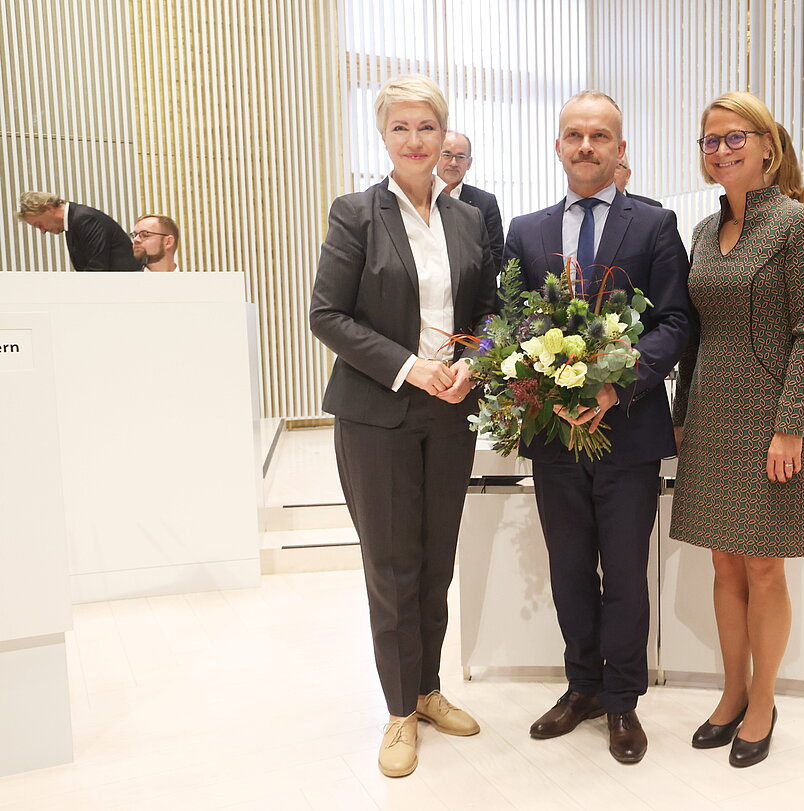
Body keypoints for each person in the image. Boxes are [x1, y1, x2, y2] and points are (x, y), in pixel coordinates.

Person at [309, 74, 497, 779]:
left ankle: (427, 689)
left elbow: (483, 314)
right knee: (392, 566)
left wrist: (471, 365)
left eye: (427, 128)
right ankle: (397, 711)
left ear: (443, 135)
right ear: (383, 136)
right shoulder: (356, 213)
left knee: (437, 557)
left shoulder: (468, 219)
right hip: (378, 411)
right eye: (401, 129)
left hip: (452, 409)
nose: (415, 141)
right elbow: (327, 314)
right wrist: (410, 368)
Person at [503, 90, 692, 764]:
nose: (587, 146)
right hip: (554, 431)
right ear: (558, 147)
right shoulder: (525, 230)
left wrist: (618, 382)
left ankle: (622, 701)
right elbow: (513, 319)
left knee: (626, 573)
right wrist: (538, 375)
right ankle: (581, 686)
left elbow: (675, 321)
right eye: (574, 135)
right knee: (568, 570)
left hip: (630, 431)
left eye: (600, 136)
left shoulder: (654, 224)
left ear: (619, 150)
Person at [671, 92, 804, 768]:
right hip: (710, 412)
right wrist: (680, 415)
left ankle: (763, 699)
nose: (722, 149)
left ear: (768, 145)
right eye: (710, 141)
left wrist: (790, 426)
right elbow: (694, 333)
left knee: (764, 564)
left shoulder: (799, 225)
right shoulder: (705, 233)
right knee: (722, 560)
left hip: (771, 417)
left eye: (735, 137)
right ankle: (731, 692)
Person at [16, 192, 140, 272]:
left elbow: (96, 269)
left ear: (49, 208)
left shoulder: (84, 219)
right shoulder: (73, 220)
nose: (43, 231)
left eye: (39, 225)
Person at [436, 131, 504, 269]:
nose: (453, 162)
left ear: (469, 163)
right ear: (436, 157)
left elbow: (495, 256)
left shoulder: (486, 202)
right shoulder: (420, 198)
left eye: (460, 156)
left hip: (473, 288)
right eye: (447, 155)